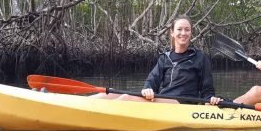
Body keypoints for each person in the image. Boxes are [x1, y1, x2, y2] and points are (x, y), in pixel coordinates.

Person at [92, 14, 222, 105]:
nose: (183, 33)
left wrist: (211, 99)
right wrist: (148, 89)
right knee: (108, 94)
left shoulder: (200, 58)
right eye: (179, 29)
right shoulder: (164, 58)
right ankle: (81, 106)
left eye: (187, 30)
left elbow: (207, 90)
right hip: (163, 99)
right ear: (172, 33)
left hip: (182, 103)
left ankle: (98, 117)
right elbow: (151, 82)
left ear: (191, 33)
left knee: (126, 98)